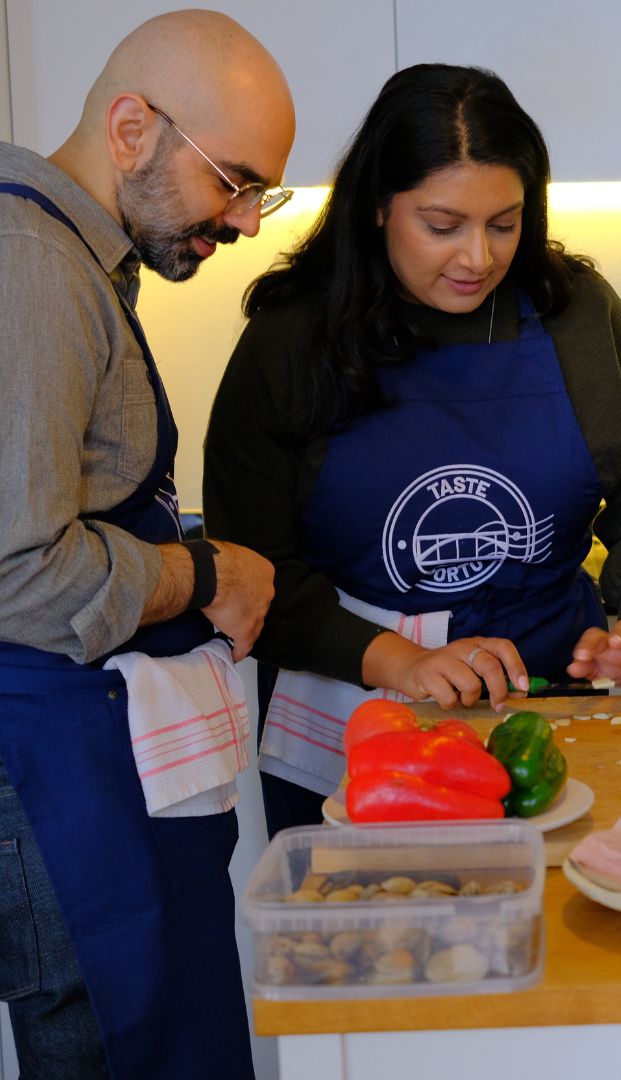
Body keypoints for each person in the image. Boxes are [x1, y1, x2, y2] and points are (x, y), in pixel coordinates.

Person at [203, 63, 621, 834]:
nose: (478, 257)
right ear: (378, 206)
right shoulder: (293, 341)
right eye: (443, 226)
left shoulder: (579, 318)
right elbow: (250, 572)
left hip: (543, 710)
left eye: (504, 223)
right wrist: (399, 660)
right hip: (355, 716)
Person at [0, 10, 293, 1078]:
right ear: (132, 130)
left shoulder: (82, 256)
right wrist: (204, 575)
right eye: (234, 181)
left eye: (262, 192)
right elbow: (15, 572)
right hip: (57, 790)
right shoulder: (30, 266)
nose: (246, 220)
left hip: (96, 772)